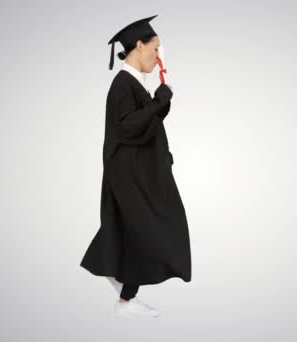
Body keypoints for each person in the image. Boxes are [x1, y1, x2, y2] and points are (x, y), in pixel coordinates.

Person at [80, 15, 192, 319]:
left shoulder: (133, 85)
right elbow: (128, 128)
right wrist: (156, 104)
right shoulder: (122, 85)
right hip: (129, 178)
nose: (157, 58)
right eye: (154, 49)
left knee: (129, 231)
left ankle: (126, 299)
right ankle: (126, 299)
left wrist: (159, 108)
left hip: (138, 175)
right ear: (138, 45)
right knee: (142, 230)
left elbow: (141, 126)